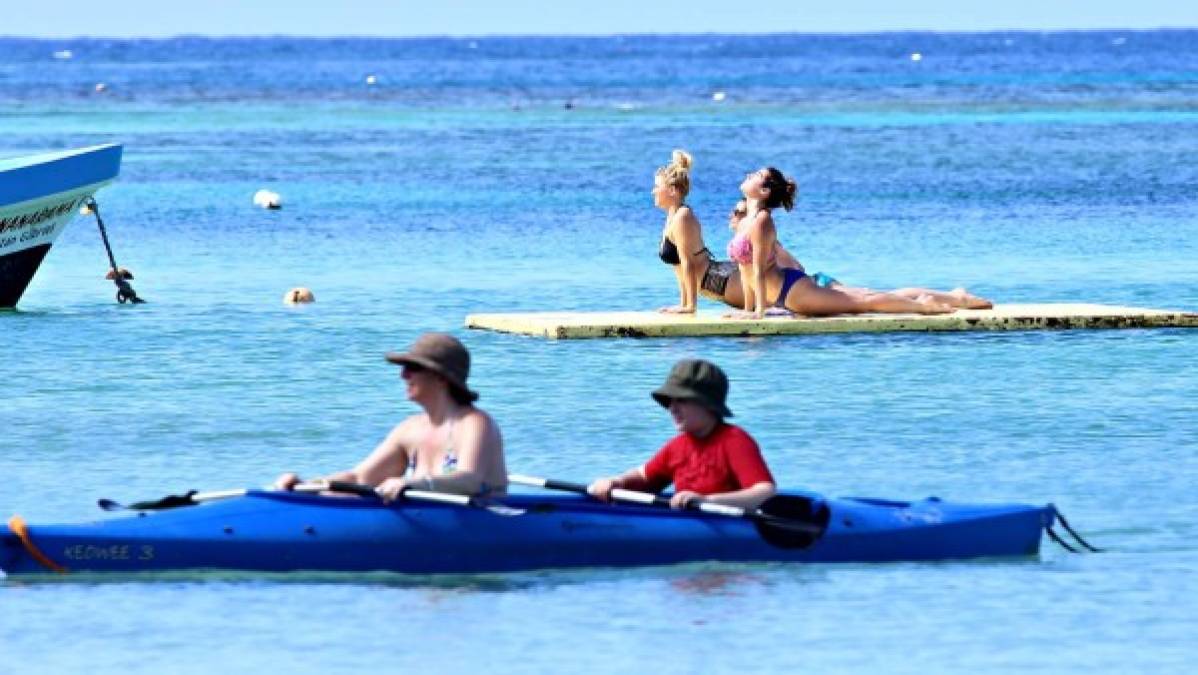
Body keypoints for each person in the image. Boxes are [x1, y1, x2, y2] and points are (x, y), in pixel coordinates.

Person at [274, 332, 507, 501]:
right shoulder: (410, 429)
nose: (403, 375)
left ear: (441, 378)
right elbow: (359, 478)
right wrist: (308, 486)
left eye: (413, 368)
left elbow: (469, 480)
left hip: (486, 519)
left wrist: (409, 482)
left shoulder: (475, 424)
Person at [728, 167, 958, 319]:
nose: (748, 175)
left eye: (754, 175)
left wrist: (758, 312)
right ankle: (930, 299)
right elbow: (744, 270)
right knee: (863, 296)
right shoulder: (745, 219)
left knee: (863, 302)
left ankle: (924, 306)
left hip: (791, 292)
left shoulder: (762, 220)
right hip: (778, 292)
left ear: (764, 190)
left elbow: (758, 270)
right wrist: (748, 310)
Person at [726, 198, 993, 309]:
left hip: (805, 285)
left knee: (870, 299)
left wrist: (760, 310)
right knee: (881, 294)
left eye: (738, 211)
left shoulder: (763, 230)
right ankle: (955, 297)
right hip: (792, 292)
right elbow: (751, 273)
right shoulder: (748, 230)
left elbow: (787, 267)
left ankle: (940, 303)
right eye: (736, 212)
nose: (734, 215)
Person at [588, 359, 776, 510]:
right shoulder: (677, 446)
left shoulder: (734, 440)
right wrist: (615, 481)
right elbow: (644, 477)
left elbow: (765, 492)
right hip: (687, 520)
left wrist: (708, 501)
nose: (672, 408)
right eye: (670, 401)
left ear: (707, 404)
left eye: (682, 400)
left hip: (730, 526)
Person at [655, 150, 799, 313]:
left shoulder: (683, 216)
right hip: (716, 279)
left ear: (673, 190)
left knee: (780, 298)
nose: (653, 191)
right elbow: (679, 266)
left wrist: (689, 307)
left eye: (657, 187)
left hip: (717, 280)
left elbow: (688, 263)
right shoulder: (672, 217)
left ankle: (801, 281)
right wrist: (683, 303)